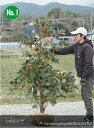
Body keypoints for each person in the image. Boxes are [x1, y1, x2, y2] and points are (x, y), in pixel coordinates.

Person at [51, 27, 94, 122]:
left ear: (82, 36)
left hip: (88, 76)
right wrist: (53, 51)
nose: (74, 36)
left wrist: (84, 76)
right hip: (83, 75)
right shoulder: (77, 46)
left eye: (76, 35)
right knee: (84, 96)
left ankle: (90, 117)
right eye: (74, 35)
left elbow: (88, 64)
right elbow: (65, 50)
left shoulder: (88, 47)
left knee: (87, 97)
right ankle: (89, 115)